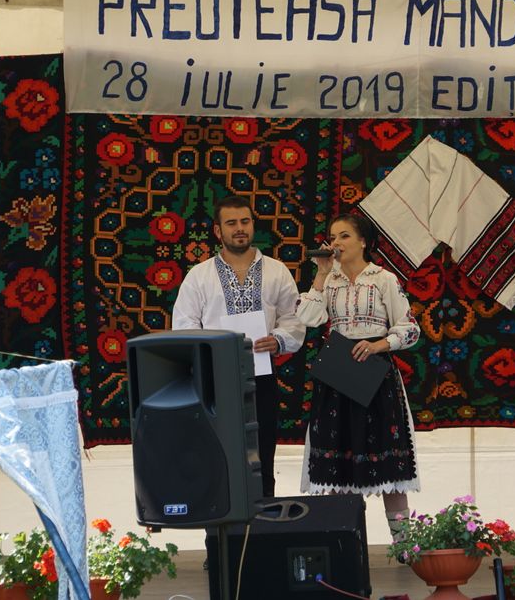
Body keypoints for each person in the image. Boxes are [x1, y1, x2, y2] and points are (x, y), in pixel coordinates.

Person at [296, 213, 421, 539]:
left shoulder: (383, 279)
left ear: (363, 241)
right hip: (338, 373)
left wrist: (380, 344)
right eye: (333, 237)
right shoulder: (329, 280)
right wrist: (321, 273)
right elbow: (307, 316)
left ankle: (404, 543)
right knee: (337, 463)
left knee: (390, 464)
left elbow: (410, 329)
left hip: (375, 374)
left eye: (344, 236)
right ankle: (344, 544)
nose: (335, 243)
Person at [172, 195, 304, 498]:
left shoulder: (276, 271)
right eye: (231, 223)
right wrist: (209, 351)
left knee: (262, 457)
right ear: (218, 231)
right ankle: (220, 525)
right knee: (216, 456)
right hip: (214, 380)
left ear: (253, 225)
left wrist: (278, 339)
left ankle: (264, 521)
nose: (240, 228)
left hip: (261, 378)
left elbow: (293, 319)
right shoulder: (199, 276)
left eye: (245, 221)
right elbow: (184, 325)